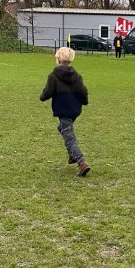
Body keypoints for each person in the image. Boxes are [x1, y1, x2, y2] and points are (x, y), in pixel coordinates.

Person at [40, 46, 90, 177]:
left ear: (57, 59)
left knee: (69, 137)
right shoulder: (76, 76)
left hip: (63, 110)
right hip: (75, 109)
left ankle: (81, 162)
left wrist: (42, 97)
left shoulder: (53, 76)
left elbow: (48, 92)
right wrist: (85, 101)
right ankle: (71, 154)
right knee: (62, 128)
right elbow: (83, 91)